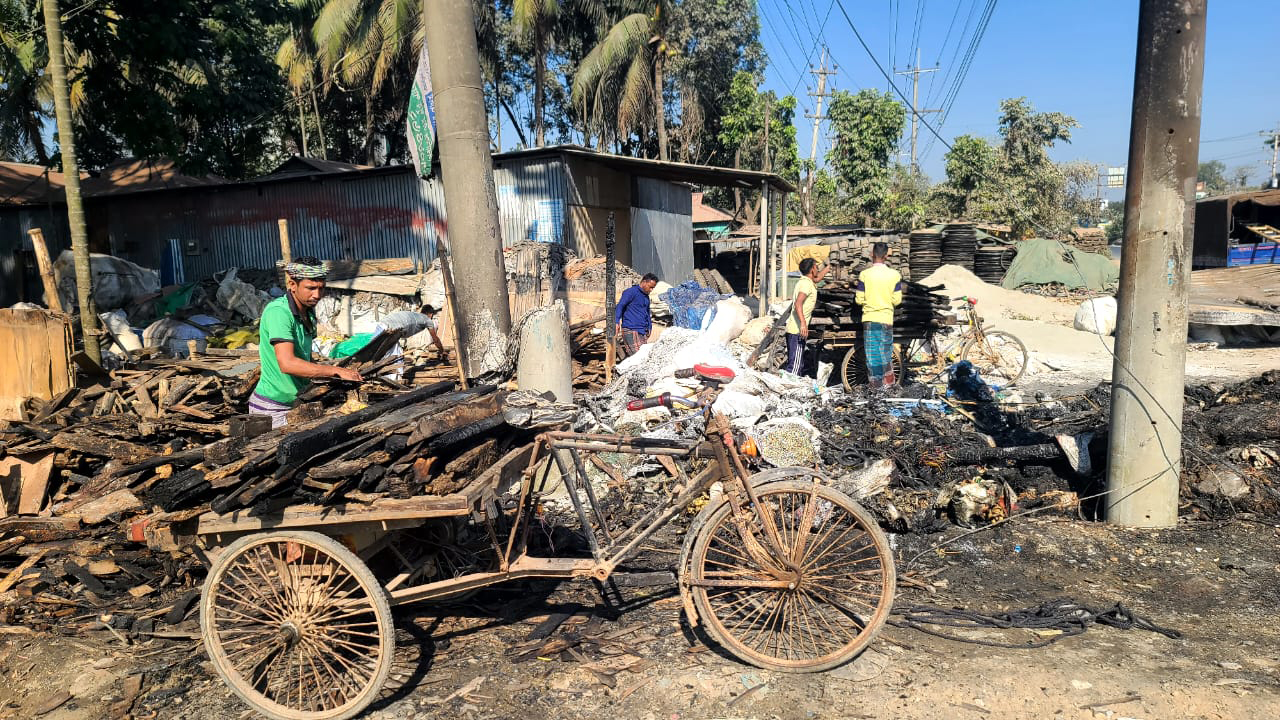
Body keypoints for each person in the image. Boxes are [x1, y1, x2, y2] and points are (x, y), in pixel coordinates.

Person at [249, 257, 362, 428]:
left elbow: (305, 359)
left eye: (321, 288)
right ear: (292, 284)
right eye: (310, 288)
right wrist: (334, 371)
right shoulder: (279, 312)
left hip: (297, 402)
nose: (317, 295)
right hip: (272, 408)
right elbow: (287, 364)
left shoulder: (307, 313)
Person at [855, 242, 904, 388]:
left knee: (873, 354)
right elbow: (897, 299)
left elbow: (859, 299)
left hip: (870, 318)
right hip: (886, 319)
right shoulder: (894, 275)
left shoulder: (864, 275)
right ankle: (889, 385)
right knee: (886, 352)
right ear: (887, 255)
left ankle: (876, 386)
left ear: (872, 254)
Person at [784, 258, 829, 377]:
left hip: (795, 329)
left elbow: (817, 278)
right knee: (795, 365)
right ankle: (789, 388)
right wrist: (803, 324)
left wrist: (829, 267)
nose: (818, 269)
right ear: (812, 269)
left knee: (797, 362)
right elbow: (798, 303)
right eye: (816, 267)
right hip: (797, 330)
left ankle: (790, 387)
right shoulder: (806, 284)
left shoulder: (806, 281)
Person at [615, 272, 659, 359]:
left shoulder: (646, 297)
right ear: (644, 282)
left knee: (645, 357)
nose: (651, 290)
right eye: (650, 287)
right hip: (631, 329)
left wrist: (649, 327)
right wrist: (616, 321)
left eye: (653, 288)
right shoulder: (631, 292)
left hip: (642, 331)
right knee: (638, 358)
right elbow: (620, 306)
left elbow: (647, 313)